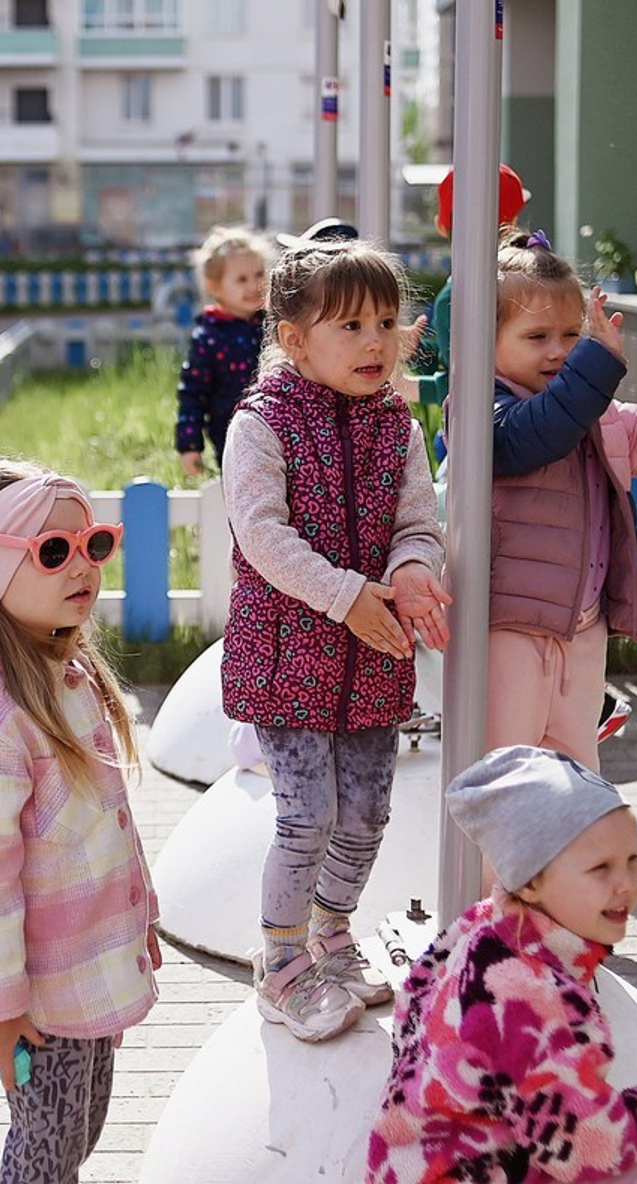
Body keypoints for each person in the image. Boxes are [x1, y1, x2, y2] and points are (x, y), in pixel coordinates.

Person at [220, 240, 450, 1043]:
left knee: (367, 814)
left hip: (375, 653)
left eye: (385, 322)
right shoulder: (261, 423)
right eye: (349, 325)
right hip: (289, 659)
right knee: (307, 817)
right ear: (294, 339)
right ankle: (280, 962)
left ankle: (332, 933)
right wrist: (347, 595)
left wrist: (414, 570)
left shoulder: (398, 424)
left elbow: (417, 522)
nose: (374, 342)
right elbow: (261, 534)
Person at [0, 458, 161, 1183]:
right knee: (45, 1154)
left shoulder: (68, 673)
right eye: (52, 552)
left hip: (89, 968)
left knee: (79, 1132)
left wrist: (139, 919)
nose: (81, 566)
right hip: (38, 1000)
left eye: (93, 544)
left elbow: (109, 825)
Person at [369, 746, 637, 1183]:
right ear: (531, 882)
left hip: (433, 1164)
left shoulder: (486, 930)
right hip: (475, 1171)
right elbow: (581, 1144)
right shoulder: (524, 992)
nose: (625, 883)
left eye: (633, 859)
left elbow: (410, 1006)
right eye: (600, 868)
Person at [483, 233, 637, 770]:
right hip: (511, 632)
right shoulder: (482, 411)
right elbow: (534, 436)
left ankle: (567, 857)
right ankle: (496, 862)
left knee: (574, 771)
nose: (559, 351)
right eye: (536, 336)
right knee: (504, 774)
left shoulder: (597, 417)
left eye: (571, 334)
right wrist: (593, 370)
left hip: (583, 632)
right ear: (485, 344)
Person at [414, 162, 531, 381]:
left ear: (440, 225)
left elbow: (458, 383)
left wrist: (413, 383)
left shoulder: (453, 297)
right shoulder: (531, 283)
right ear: (513, 223)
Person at [174, 224, 275, 477]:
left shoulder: (275, 324)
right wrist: (189, 445)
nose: (254, 285)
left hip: (280, 428)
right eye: (242, 279)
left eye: (259, 274)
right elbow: (193, 393)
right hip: (230, 433)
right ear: (215, 287)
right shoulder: (210, 336)